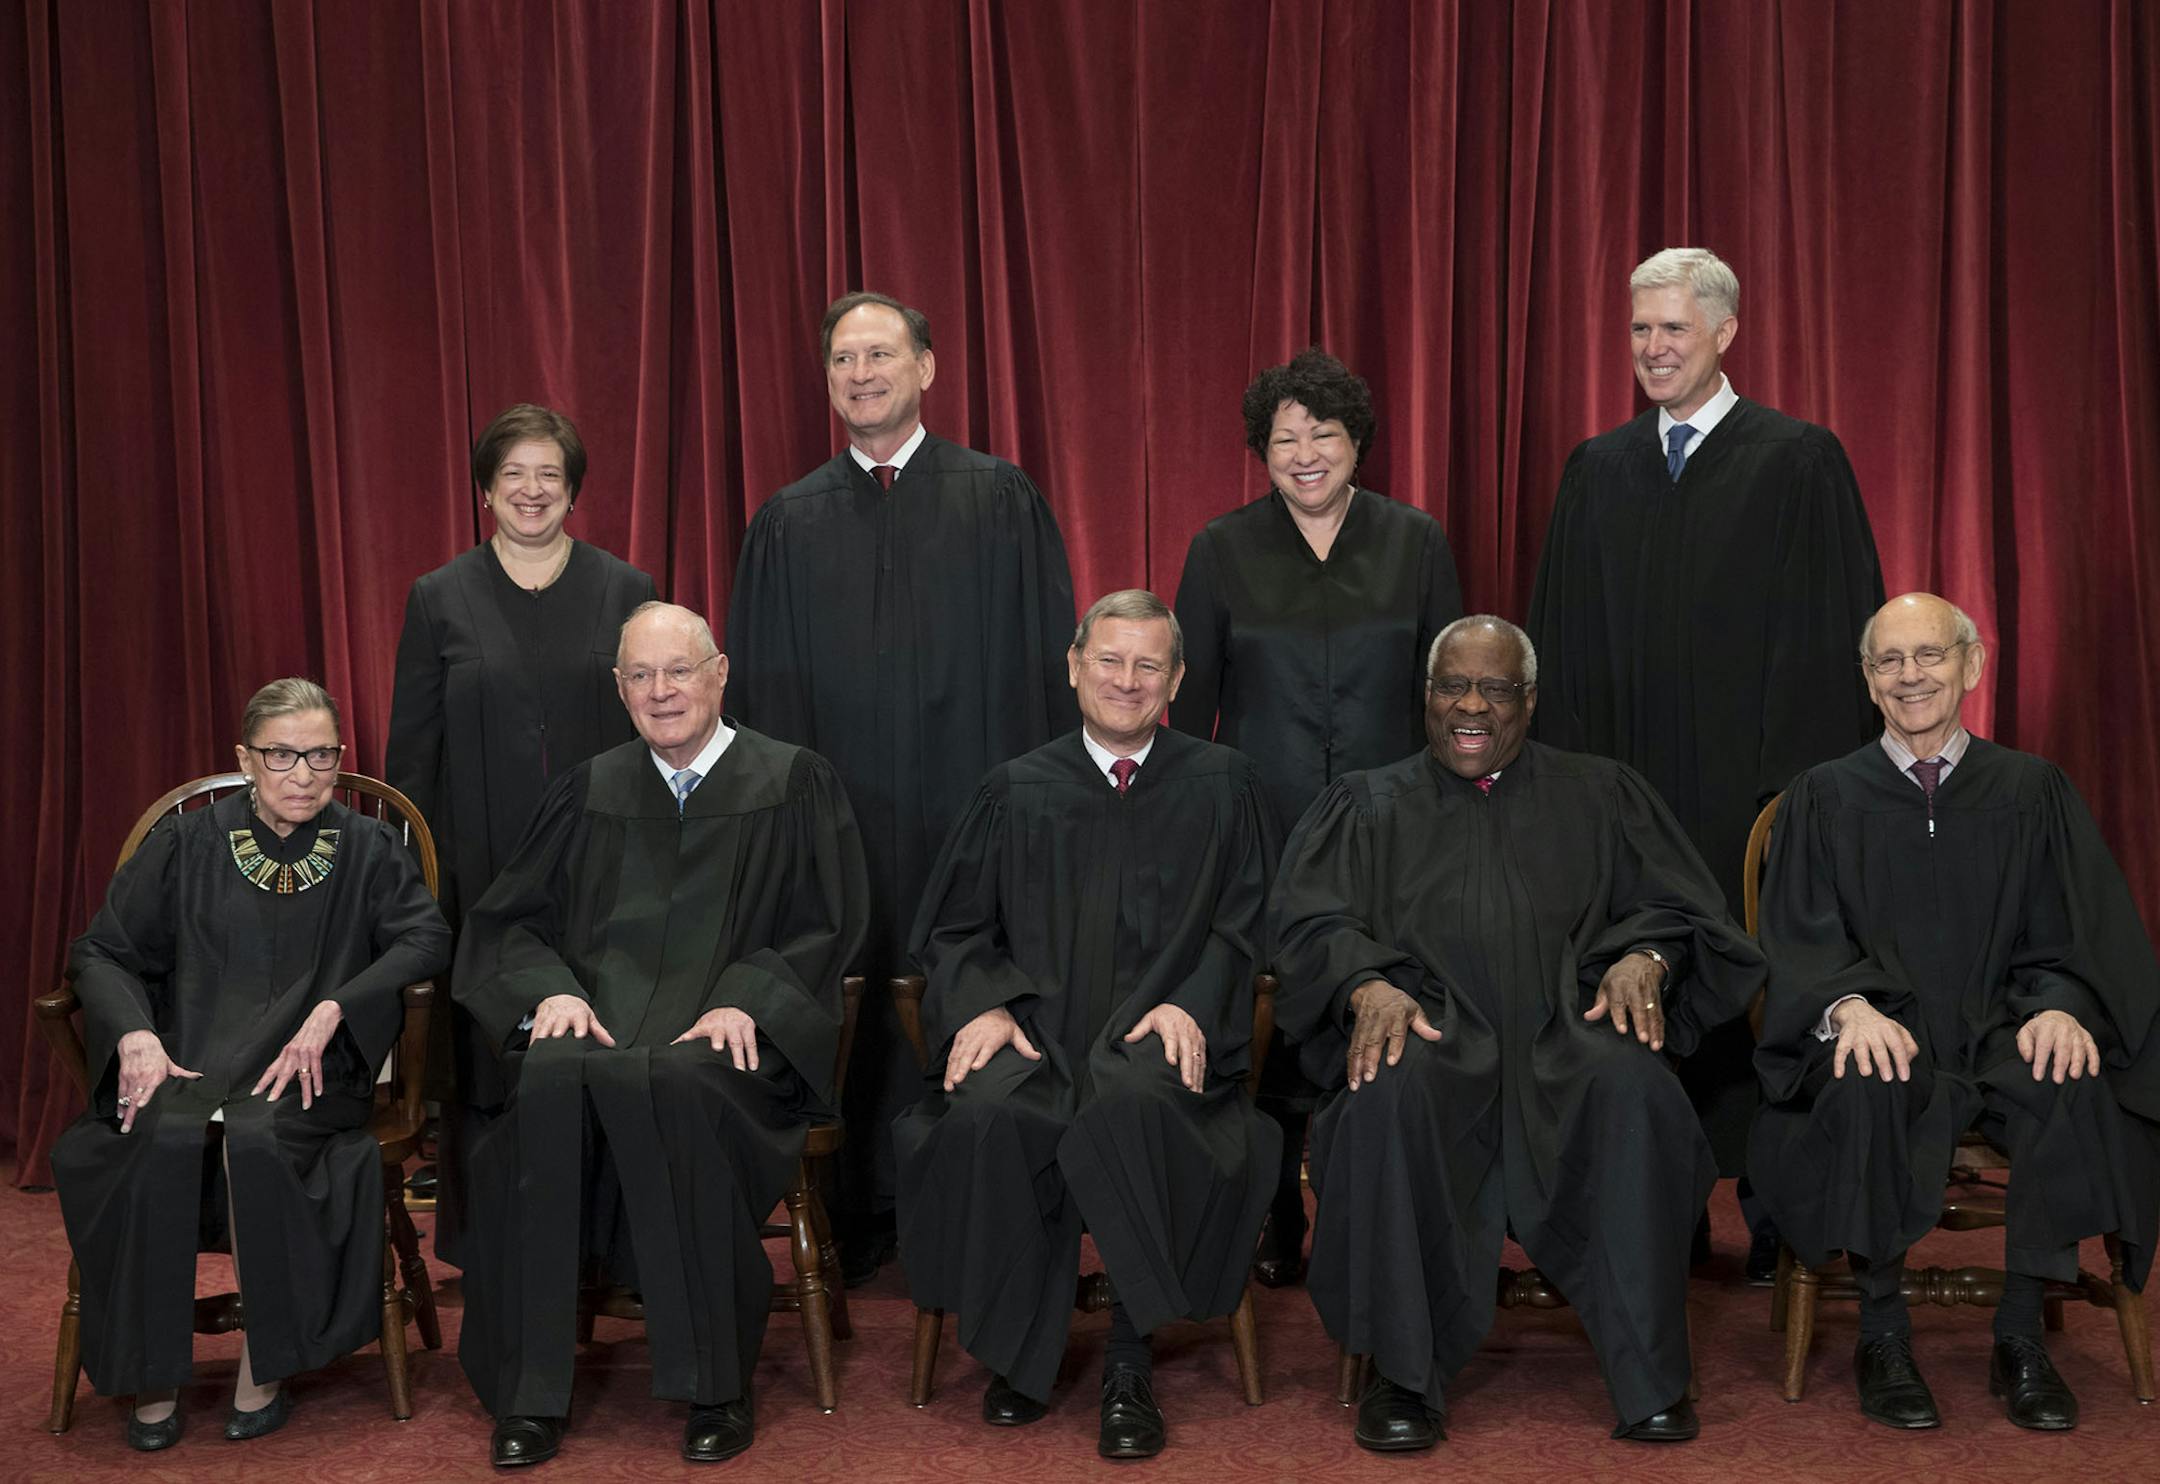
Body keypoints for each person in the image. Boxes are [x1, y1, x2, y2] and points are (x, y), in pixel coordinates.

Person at [1270, 617, 1764, 1451]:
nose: (1470, 705)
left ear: (1527, 701)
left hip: (1569, 1033)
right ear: (1425, 697)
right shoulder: (1365, 804)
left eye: (1494, 688)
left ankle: (1649, 1377)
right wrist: (1364, 981)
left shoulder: (1602, 793)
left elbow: (1683, 910)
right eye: (1451, 686)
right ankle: (1403, 1374)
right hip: (1428, 1030)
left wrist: (1646, 956)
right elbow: (1308, 925)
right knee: (1388, 1094)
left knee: (1634, 1089)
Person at [1526, 247, 1886, 1264]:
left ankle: (1780, 1215)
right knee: (1639, 999)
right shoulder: (1599, 470)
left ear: (1726, 333)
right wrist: (1583, 797)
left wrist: (1790, 802)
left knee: (1764, 995)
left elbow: (1827, 639)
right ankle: (1662, 1215)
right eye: (1640, 329)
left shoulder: (1798, 459)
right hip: (1631, 804)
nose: (1653, 348)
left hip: (1749, 798)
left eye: (1673, 329)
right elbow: (1567, 645)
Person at [452, 602, 868, 1469]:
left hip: (726, 1047)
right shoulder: (589, 788)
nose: (660, 690)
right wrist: (551, 992)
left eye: (678, 670)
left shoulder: (793, 782)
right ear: (617, 688)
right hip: (601, 1028)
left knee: (681, 1086)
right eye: (639, 675)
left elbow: (829, 926)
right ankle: (532, 1393)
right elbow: (509, 923)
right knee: (547, 1081)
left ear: (719, 674)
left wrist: (749, 998)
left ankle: (716, 1385)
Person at [726, 291, 1078, 1280]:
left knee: (971, 985)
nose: (862, 373)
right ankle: (850, 1218)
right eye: (843, 359)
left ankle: (981, 1207)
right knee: (850, 993)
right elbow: (756, 707)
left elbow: (1049, 678)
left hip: (975, 817)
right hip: (839, 823)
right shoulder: (787, 524)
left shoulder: (1000, 500)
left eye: (881, 353)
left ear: (928, 368)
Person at [1748, 592, 2160, 1432]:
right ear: (1868, 680)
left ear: (1971, 665)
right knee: (1865, 1077)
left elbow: (2077, 931)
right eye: (1890, 661)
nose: (1911, 676)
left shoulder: (2033, 790)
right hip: (1885, 1030)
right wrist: (1847, 1006)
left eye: (1929, 655)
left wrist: (2064, 1005)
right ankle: (1883, 1331)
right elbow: (1797, 940)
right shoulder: (1823, 797)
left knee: (2065, 1074)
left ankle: (2021, 1336)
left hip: (2002, 1025)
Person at [893, 590, 1278, 1460]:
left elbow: (1251, 924)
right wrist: (984, 1002)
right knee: (991, 1115)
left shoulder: (1225, 784)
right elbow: (953, 928)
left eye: (1149, 665)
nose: (1127, 680)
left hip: (1161, 1034)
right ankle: (1019, 1357)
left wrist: (1193, 1001)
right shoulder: (1015, 790)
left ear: (1177, 678)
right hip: (1040, 1035)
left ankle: (1129, 1362)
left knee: (1135, 1105)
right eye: (1110, 660)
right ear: (1074, 668)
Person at [51, 679, 450, 1451]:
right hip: (188, 1057)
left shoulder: (368, 848)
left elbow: (425, 939)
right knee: (157, 1134)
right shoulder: (187, 842)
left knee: (263, 1137)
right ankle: (152, 1369)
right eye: (282, 755)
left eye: (323, 755)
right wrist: (134, 1033)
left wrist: (340, 1005)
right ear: (245, 758)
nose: (304, 774)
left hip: (307, 1073)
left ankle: (264, 1368)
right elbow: (101, 951)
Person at [1170, 347, 1462, 1286]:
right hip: (1265, 821)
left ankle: (1369, 1199)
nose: (1303, 453)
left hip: (1395, 828)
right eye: (1283, 438)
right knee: (1268, 1016)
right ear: (1262, 450)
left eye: (1322, 434)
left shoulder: (1416, 541)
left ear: (1356, 444)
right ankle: (1270, 1212)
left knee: (1384, 994)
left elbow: (1450, 694)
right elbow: (1189, 710)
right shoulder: (1220, 549)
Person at [386, 402, 657, 1266]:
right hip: (479, 868)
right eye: (514, 475)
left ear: (573, 491)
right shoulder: (438, 597)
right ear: (485, 490)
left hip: (607, 866)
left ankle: (613, 1242)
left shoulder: (626, 590)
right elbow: (413, 754)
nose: (532, 490)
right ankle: (497, 1244)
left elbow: (661, 727)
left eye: (550, 475)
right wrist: (420, 888)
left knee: (609, 1042)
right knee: (491, 1058)